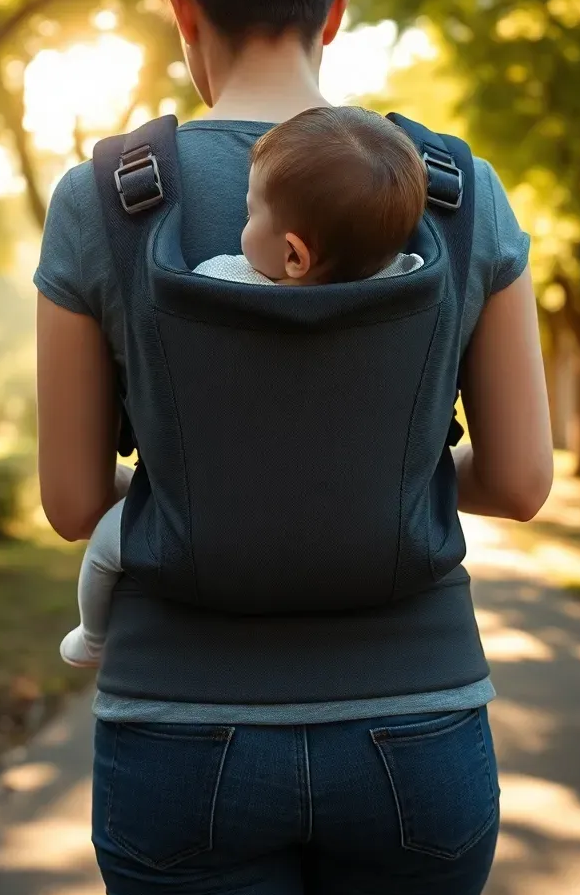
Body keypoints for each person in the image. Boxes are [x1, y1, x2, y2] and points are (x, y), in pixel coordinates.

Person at [35, 0, 553, 895]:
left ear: (180, 6)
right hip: (418, 733)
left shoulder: (110, 196)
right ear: (333, 11)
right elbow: (522, 482)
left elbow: (72, 503)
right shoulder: (454, 189)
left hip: (179, 734)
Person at [59, 105, 427, 668]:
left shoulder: (220, 280)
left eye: (250, 212)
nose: (242, 221)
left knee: (111, 546)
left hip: (193, 609)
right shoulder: (406, 275)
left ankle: (93, 637)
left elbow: (71, 505)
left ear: (294, 255)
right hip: (401, 654)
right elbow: (518, 487)